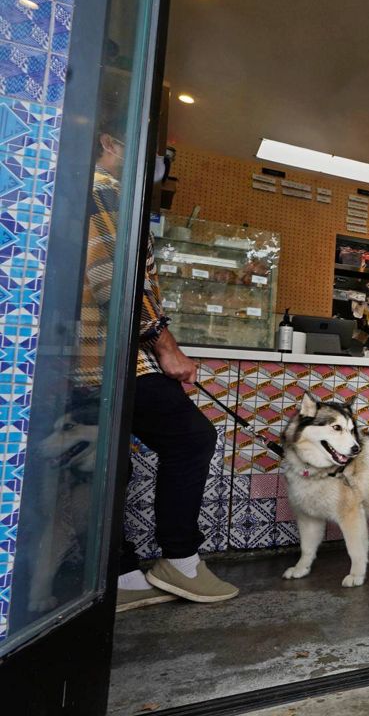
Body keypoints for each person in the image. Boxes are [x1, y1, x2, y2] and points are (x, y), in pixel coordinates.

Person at [82, 110, 239, 610]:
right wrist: (166, 347)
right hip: (110, 357)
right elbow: (117, 281)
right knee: (192, 437)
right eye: (149, 151)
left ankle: (122, 576)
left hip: (93, 358)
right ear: (110, 143)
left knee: (110, 463)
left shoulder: (94, 192)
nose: (158, 163)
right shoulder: (106, 190)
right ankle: (180, 560)